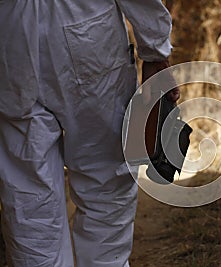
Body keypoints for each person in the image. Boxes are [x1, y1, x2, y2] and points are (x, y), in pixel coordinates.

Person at [0, 1, 179, 266]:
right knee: (104, 180)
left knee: (29, 197)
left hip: (10, 39)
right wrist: (154, 48)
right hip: (87, 30)